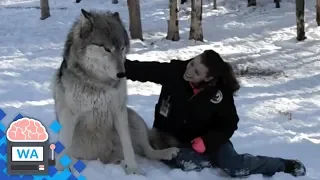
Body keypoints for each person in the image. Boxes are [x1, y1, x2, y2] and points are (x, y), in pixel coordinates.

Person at [124, 49, 306, 178]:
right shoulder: (175, 72)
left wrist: (208, 142)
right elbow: (142, 70)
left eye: (196, 72)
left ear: (208, 78)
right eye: (192, 63)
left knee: (235, 167)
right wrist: (115, 65)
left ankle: (285, 165)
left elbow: (229, 124)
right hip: (169, 138)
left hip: (209, 141)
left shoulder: (220, 93)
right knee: (180, 160)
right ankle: (206, 161)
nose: (189, 70)